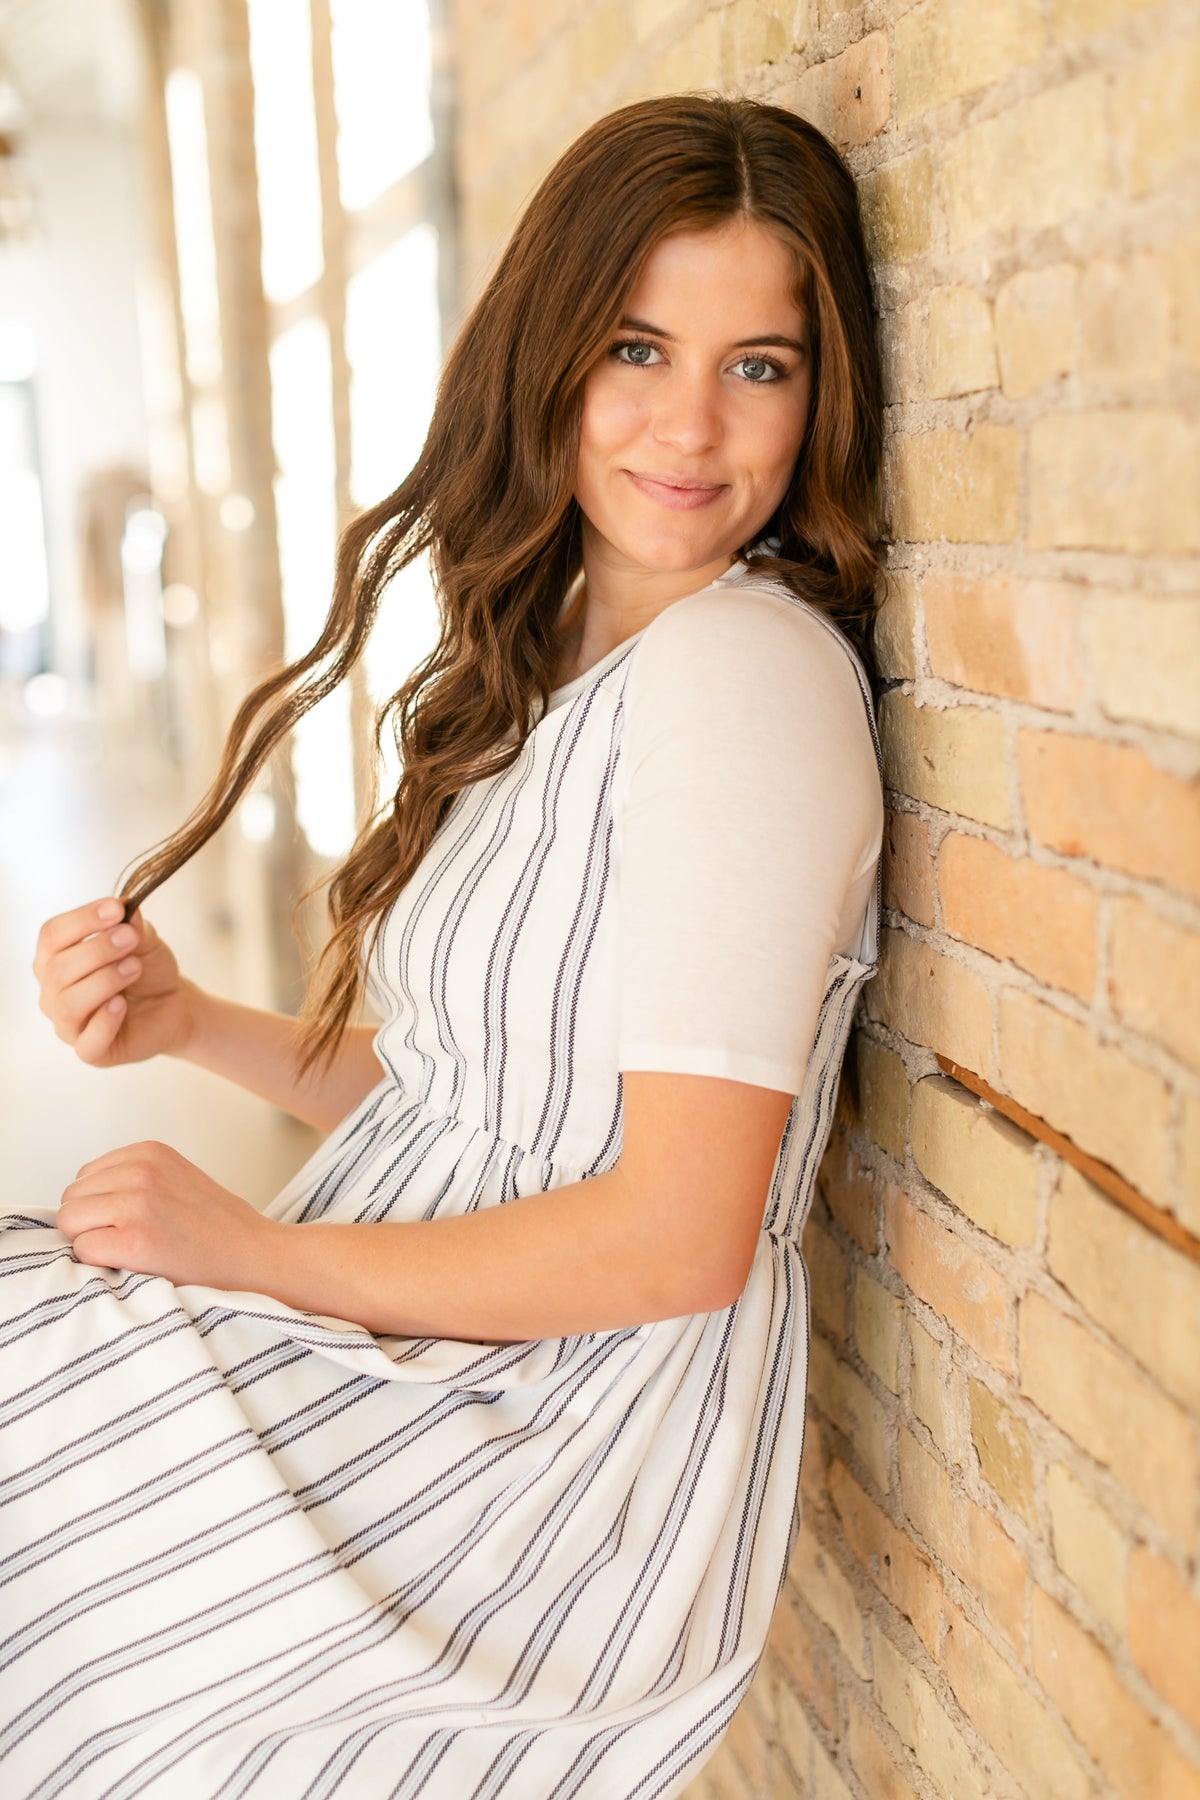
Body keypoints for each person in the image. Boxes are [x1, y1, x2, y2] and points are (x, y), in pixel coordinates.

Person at [5, 94, 884, 1797]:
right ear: (548, 353)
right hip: (434, 1349)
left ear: (820, 391)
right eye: (639, 347)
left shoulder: (744, 680)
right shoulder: (559, 659)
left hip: (539, 1447)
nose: (691, 424)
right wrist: (192, 1022)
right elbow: (477, 1104)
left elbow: (677, 1239)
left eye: (759, 366)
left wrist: (258, 1256)